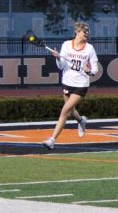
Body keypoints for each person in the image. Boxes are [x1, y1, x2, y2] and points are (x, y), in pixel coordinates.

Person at [42, 21, 99, 149]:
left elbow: (95, 68)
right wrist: (58, 58)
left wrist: (89, 71)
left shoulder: (89, 48)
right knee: (72, 111)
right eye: (85, 31)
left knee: (65, 110)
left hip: (81, 84)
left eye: (88, 31)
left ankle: (52, 140)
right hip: (67, 82)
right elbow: (61, 66)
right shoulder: (66, 45)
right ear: (77, 32)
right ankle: (81, 120)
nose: (87, 34)